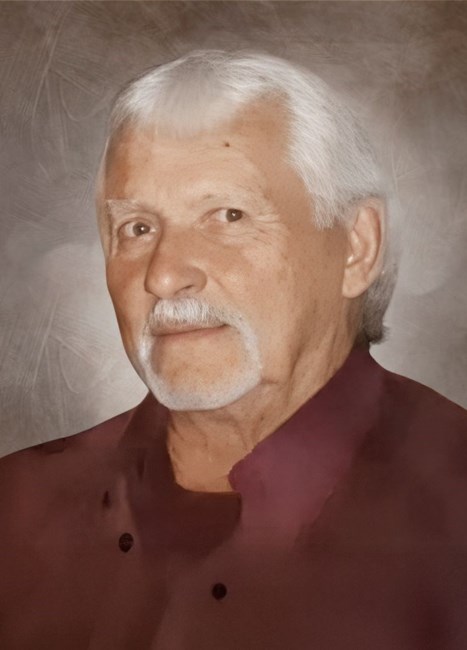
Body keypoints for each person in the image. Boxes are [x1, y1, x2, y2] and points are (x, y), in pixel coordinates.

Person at [0, 49, 466, 649]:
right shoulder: (15, 510)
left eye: (228, 215)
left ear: (357, 247)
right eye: (137, 228)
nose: (164, 275)